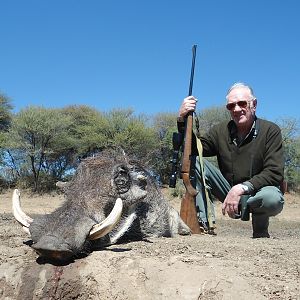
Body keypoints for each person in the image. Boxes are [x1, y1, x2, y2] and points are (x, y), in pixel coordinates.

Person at [177, 82, 285, 238]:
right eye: (231, 106)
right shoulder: (220, 130)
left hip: (257, 192)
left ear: (254, 104)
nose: (236, 109)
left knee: (271, 199)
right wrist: (182, 119)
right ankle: (203, 225)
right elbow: (194, 149)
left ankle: (260, 232)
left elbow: (274, 172)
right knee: (194, 162)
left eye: (242, 103)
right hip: (227, 190)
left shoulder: (271, 130)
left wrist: (241, 188)